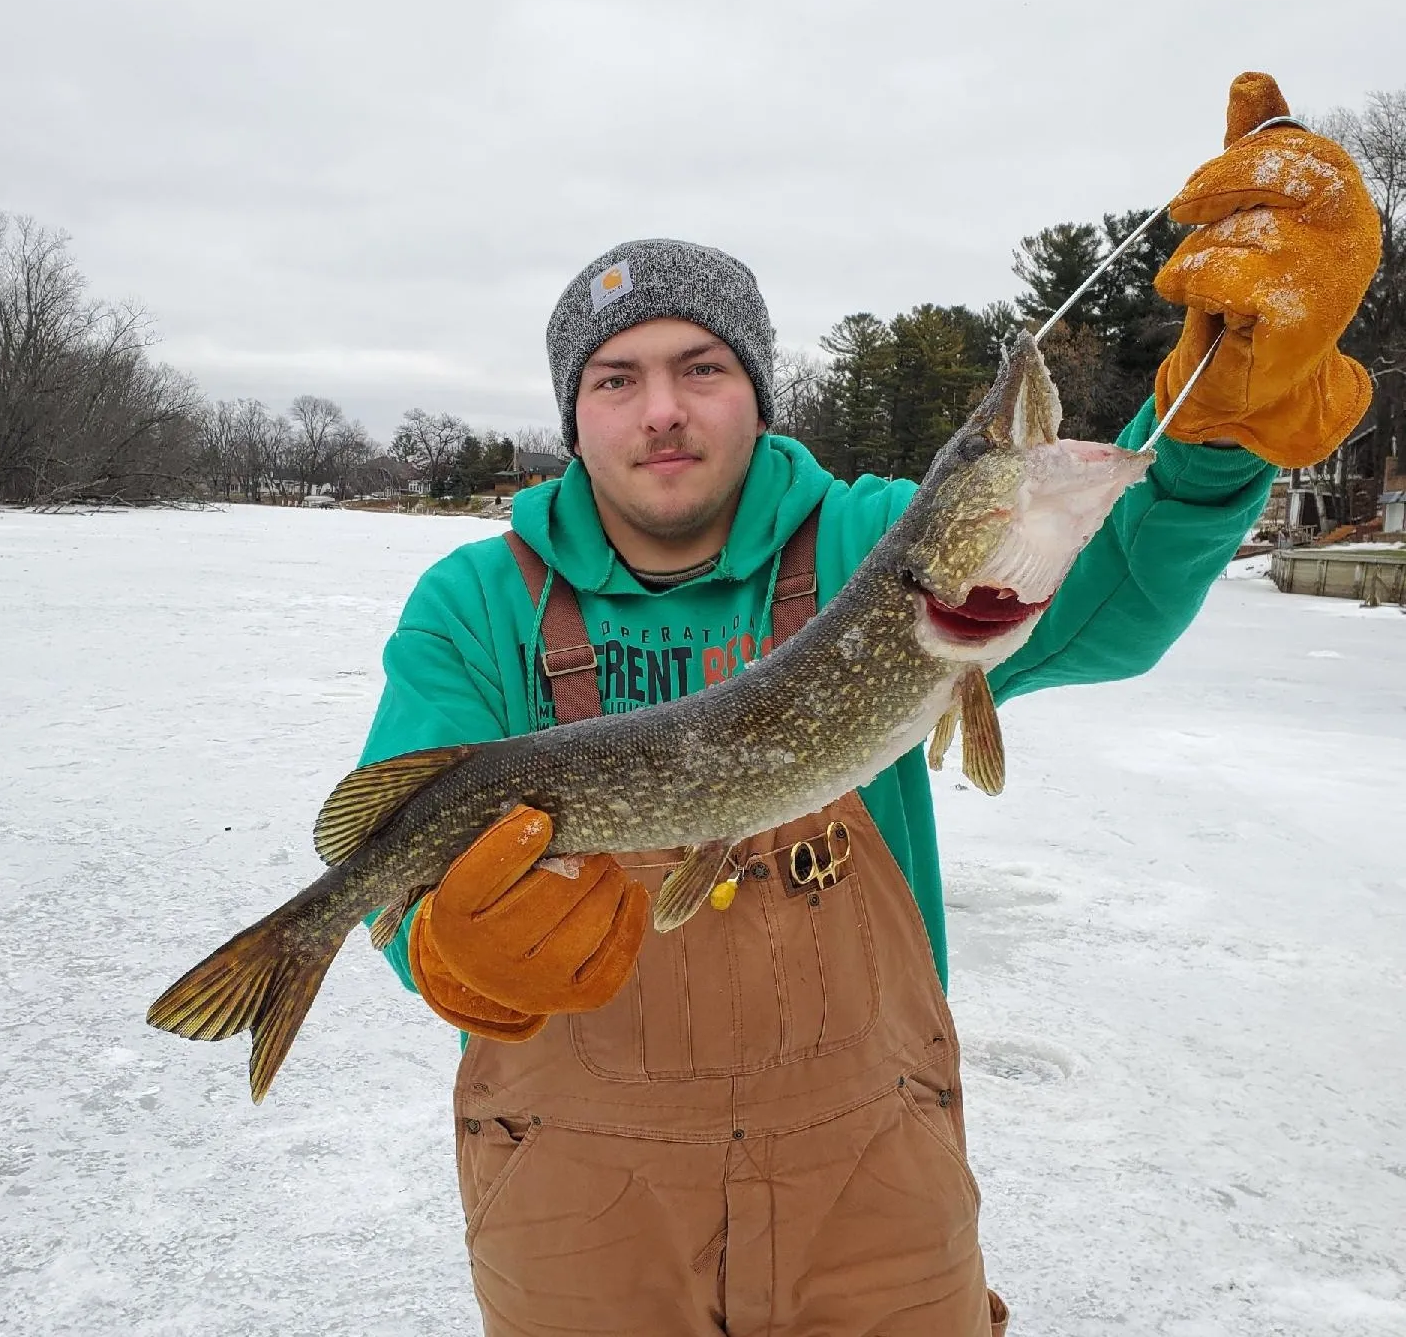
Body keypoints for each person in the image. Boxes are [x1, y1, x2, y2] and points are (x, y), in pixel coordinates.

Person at [357, 73, 1380, 1337]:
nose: (663, 408)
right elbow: (400, 870)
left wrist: (1220, 426)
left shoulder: (871, 543)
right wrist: (450, 952)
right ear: (574, 411)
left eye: (702, 367)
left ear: (759, 391)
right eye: (617, 379)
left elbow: (1108, 592)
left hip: (869, 1173)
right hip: (572, 1183)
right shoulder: (476, 602)